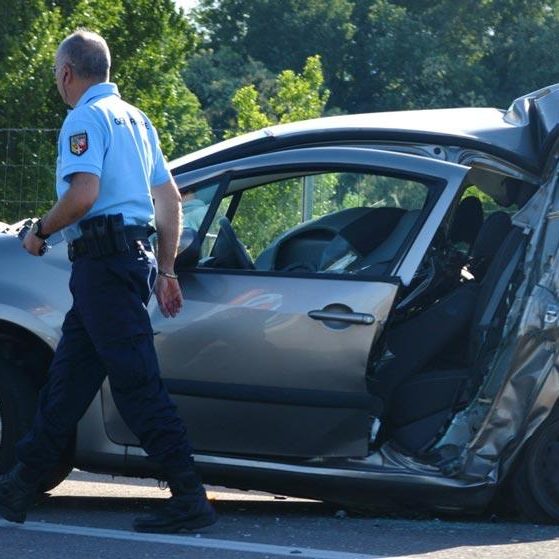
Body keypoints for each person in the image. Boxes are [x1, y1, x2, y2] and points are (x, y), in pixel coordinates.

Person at [0, 29, 216, 533]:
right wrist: (165, 270)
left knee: (137, 383)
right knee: (67, 382)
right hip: (125, 266)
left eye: (57, 75)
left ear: (69, 74)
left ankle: (190, 496)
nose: (58, 83)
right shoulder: (137, 120)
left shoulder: (84, 118)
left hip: (103, 265)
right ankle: (19, 486)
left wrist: (39, 233)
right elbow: (169, 201)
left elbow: (84, 195)